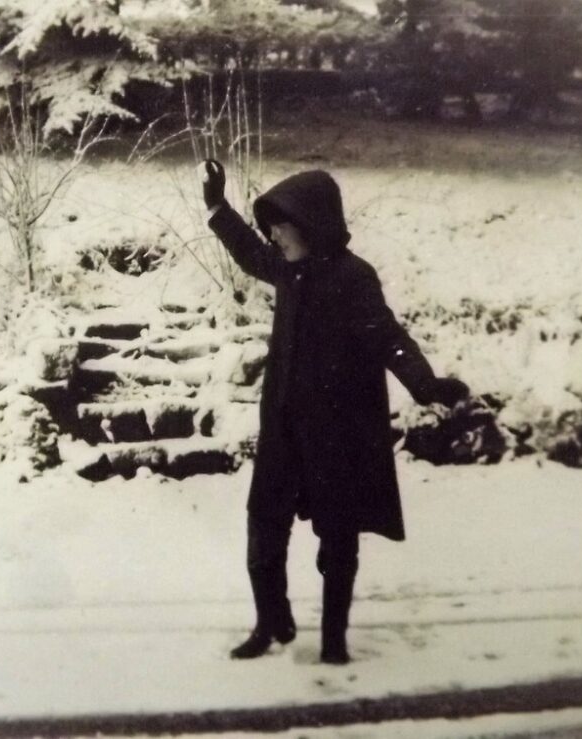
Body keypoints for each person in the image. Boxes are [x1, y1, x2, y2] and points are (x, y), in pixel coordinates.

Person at [199, 161, 469, 664]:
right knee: (263, 527)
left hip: (336, 436)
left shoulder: (353, 277)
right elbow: (249, 253)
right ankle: (270, 622)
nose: (273, 234)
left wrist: (425, 383)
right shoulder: (287, 267)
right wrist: (217, 206)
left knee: (338, 541)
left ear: (310, 222)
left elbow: (389, 337)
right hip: (283, 429)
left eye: (281, 224)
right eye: (272, 225)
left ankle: (333, 641)